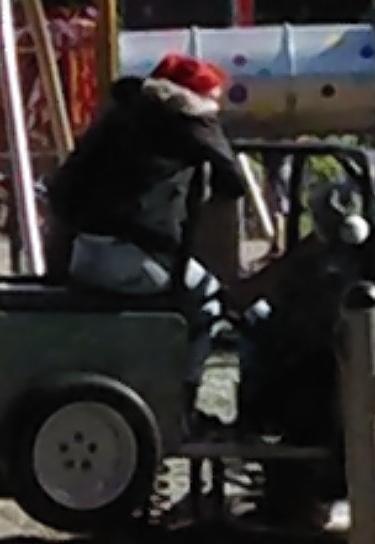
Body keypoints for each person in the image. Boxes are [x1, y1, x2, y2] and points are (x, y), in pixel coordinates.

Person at [43, 51, 249, 424]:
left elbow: (61, 188)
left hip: (87, 254)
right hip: (132, 255)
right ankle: (181, 409)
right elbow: (231, 177)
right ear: (197, 97)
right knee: (208, 304)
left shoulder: (116, 118)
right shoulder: (187, 118)